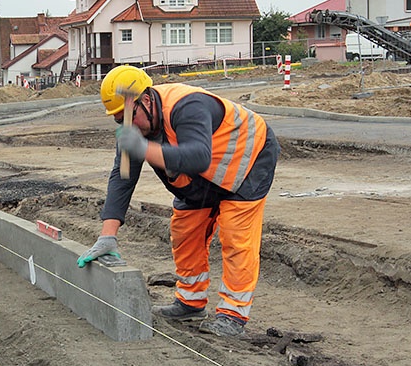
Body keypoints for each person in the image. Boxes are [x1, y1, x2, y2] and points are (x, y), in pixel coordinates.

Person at [78, 65, 280, 337]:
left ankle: (233, 315)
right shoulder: (136, 126)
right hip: (203, 176)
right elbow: (122, 177)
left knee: (236, 236)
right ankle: (190, 302)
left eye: (127, 116)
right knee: (185, 228)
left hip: (248, 160)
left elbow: (198, 156)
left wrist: (144, 149)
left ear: (146, 100)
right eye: (118, 120)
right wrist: (107, 236)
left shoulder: (187, 105)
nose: (126, 125)